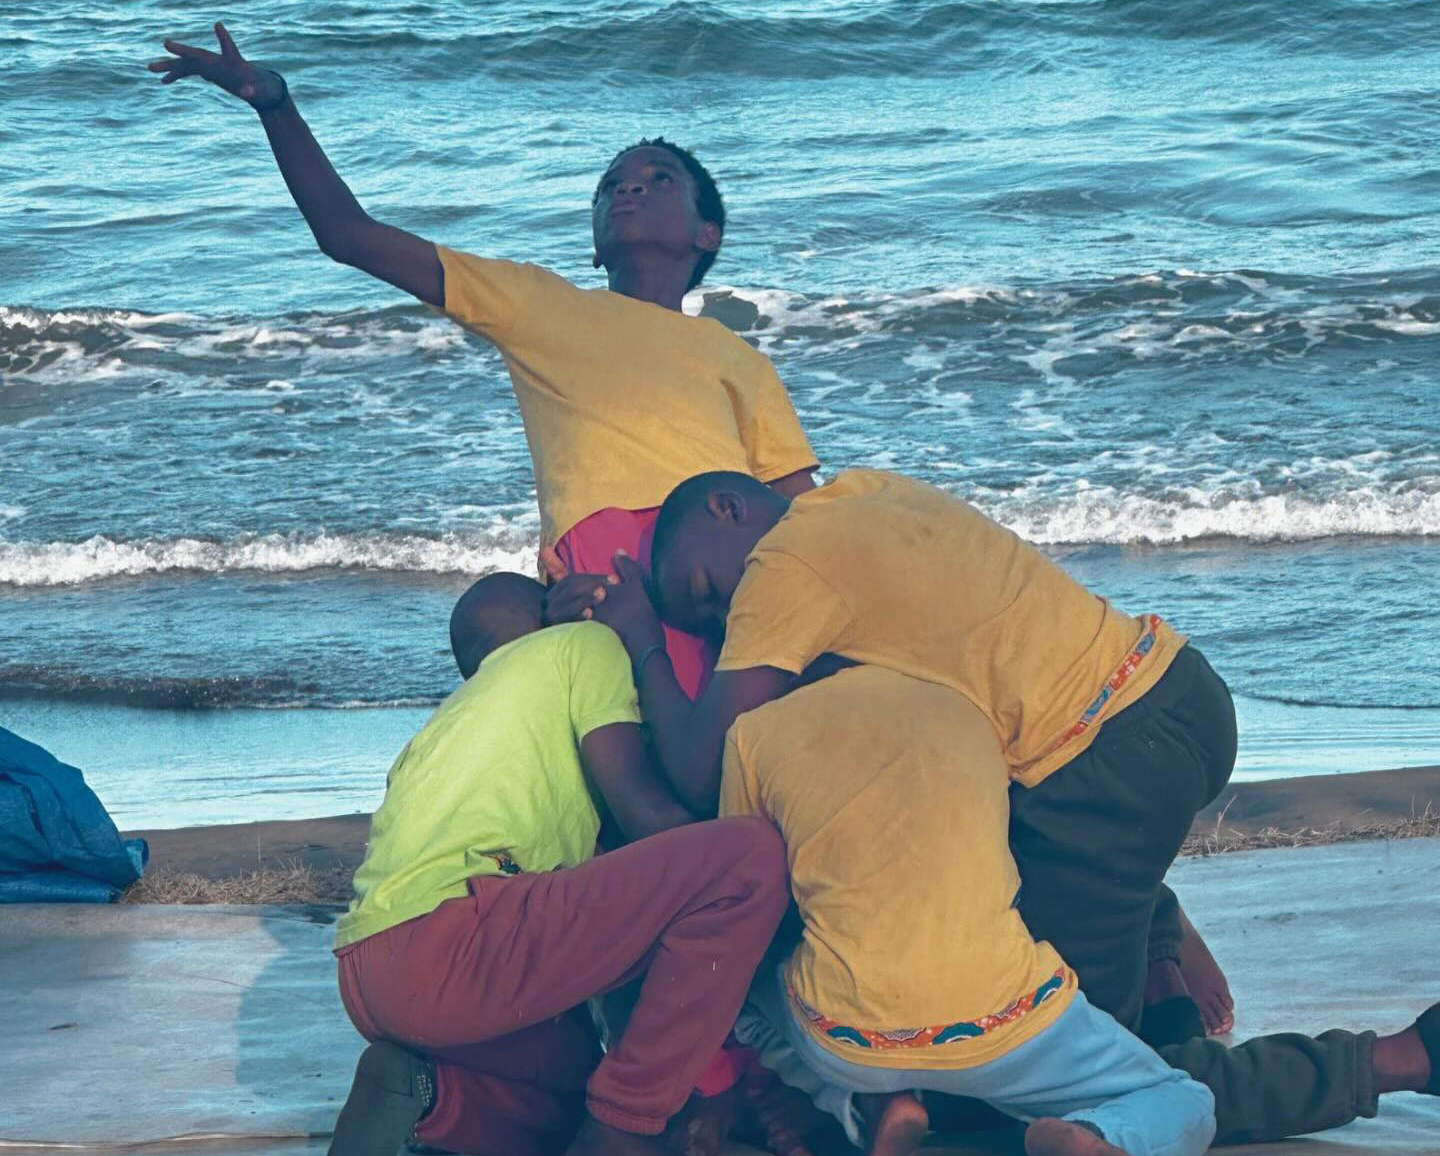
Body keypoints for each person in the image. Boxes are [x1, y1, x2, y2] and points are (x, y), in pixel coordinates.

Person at [585, 467, 1440, 1145]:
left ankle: (1395, 1061)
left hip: (1103, 766)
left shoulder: (784, 566)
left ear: (731, 508)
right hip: (1163, 694)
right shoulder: (871, 497)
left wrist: (641, 637)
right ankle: (1159, 962)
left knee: (1077, 1081)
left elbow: (701, 772)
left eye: (705, 589)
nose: (726, 619)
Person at [148, 24, 819, 703]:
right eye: (610, 184)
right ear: (593, 246)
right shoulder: (539, 302)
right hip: (600, 577)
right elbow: (349, 236)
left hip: (719, 576)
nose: (626, 190)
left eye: (658, 180)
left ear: (708, 235)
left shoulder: (738, 358)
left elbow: (797, 508)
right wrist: (276, 105)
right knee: (491, 612)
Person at [327, 573, 789, 1156]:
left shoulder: (444, 727)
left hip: (375, 979)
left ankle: (428, 1097)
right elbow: (645, 812)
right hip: (459, 936)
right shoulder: (577, 648)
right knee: (748, 860)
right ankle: (625, 1126)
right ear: (554, 621)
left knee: (574, 1093)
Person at [724, 666, 1217, 1156]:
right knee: (1181, 1096)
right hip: (1005, 1021)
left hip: (848, 1037)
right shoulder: (971, 701)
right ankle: (1098, 1136)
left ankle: (863, 1104)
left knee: (744, 1002)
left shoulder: (752, 733)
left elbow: (746, 894)